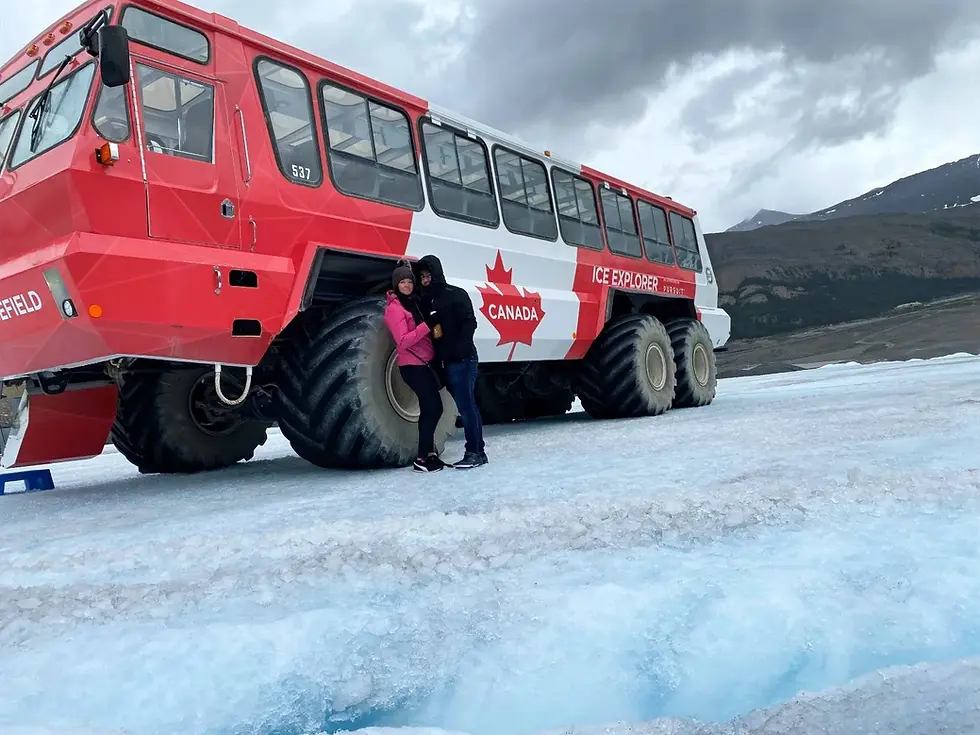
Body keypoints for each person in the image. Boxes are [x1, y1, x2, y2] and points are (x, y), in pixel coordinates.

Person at [416, 254, 488, 469]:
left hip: (463, 359)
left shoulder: (456, 295)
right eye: (422, 277)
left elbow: (470, 322)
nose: (426, 280)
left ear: (437, 274)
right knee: (464, 405)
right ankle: (478, 451)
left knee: (467, 407)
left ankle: (475, 452)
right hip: (446, 362)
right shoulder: (426, 300)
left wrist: (462, 349)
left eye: (428, 275)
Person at [383, 259, 447, 473]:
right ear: (396, 285)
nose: (407, 285)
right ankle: (422, 457)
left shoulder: (413, 303)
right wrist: (426, 326)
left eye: (410, 281)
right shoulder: (394, 309)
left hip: (424, 362)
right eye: (402, 282)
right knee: (433, 407)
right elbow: (402, 341)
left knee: (432, 407)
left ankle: (428, 453)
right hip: (412, 365)